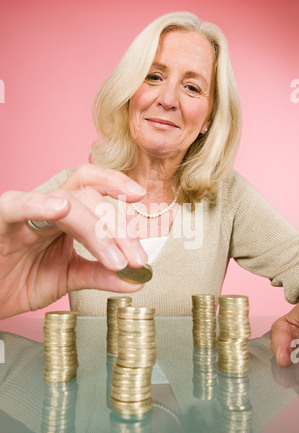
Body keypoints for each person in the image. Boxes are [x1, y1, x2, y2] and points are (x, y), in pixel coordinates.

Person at [0, 12, 298, 367]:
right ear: (129, 91)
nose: (168, 99)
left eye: (192, 87)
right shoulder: (74, 192)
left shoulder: (228, 195)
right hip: (88, 416)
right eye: (153, 76)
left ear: (208, 118)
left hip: (197, 418)